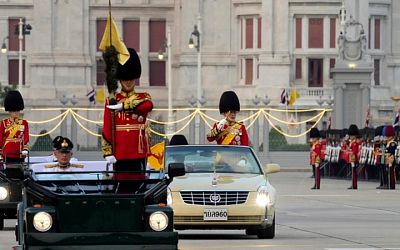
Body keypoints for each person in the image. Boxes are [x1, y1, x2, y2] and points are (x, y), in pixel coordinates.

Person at [102, 48, 153, 180]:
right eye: (125, 79)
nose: (128, 82)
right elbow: (107, 127)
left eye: (130, 79)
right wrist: (107, 151)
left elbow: (148, 106)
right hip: (120, 150)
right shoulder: (111, 99)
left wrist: (123, 106)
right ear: (120, 80)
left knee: (140, 182)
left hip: (138, 149)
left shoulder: (143, 97)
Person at [0, 90, 29, 163]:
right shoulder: (4, 123)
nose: (16, 113)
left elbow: (26, 138)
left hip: (19, 153)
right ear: (9, 111)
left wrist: (25, 149)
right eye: (13, 111)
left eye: (17, 110)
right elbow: (0, 139)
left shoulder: (24, 123)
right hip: (7, 153)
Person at [384, 125, 397, 189]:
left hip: (391, 159)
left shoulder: (393, 143)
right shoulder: (388, 143)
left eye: (388, 136)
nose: (387, 137)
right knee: (388, 172)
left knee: (391, 172)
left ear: (391, 136)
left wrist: (388, 156)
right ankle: (389, 184)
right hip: (388, 159)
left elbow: (392, 152)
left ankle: (392, 185)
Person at [348, 124, 360, 189]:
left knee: (354, 173)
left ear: (354, 136)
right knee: (352, 172)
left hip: (354, 159)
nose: (350, 136)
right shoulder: (352, 142)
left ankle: (354, 185)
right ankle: (353, 184)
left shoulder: (355, 143)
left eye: (351, 135)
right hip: (351, 158)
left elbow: (354, 151)